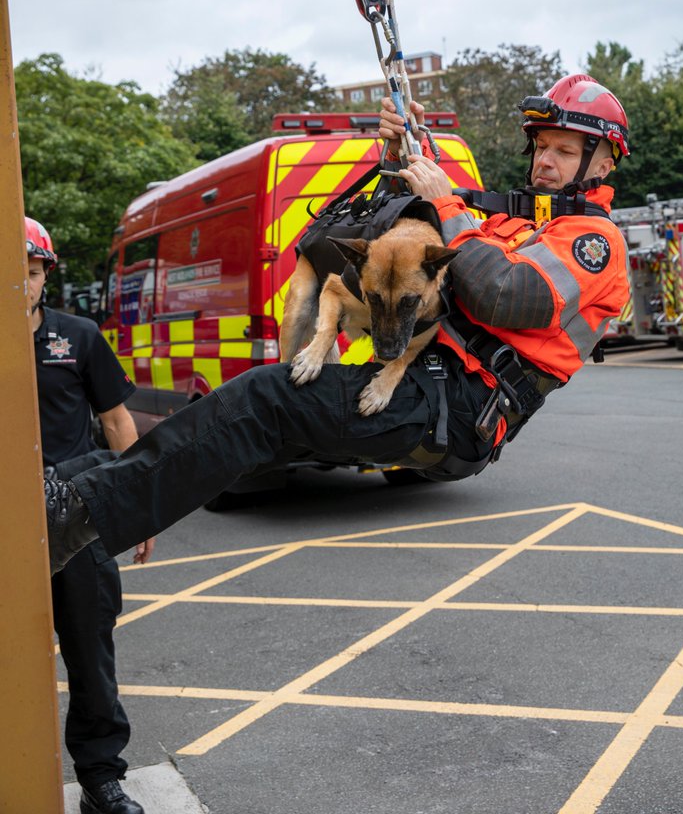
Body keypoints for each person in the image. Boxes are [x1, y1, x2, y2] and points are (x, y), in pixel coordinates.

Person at [44, 74, 631, 577]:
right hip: (418, 381)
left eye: (564, 150)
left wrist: (450, 206)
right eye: (542, 147)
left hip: (457, 405)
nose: (545, 161)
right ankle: (61, 495)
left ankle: (73, 511)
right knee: (231, 433)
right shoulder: (512, 219)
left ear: (603, 161)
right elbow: (409, 233)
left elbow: (506, 294)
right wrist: (402, 154)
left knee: (265, 396)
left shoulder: (592, 242)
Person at [26, 217, 155, 814]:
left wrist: (141, 507)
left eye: (31, 272)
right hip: (8, 530)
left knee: (90, 655)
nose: (20, 284)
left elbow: (117, 423)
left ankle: (101, 781)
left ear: (46, 275)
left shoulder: (76, 336)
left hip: (78, 521)